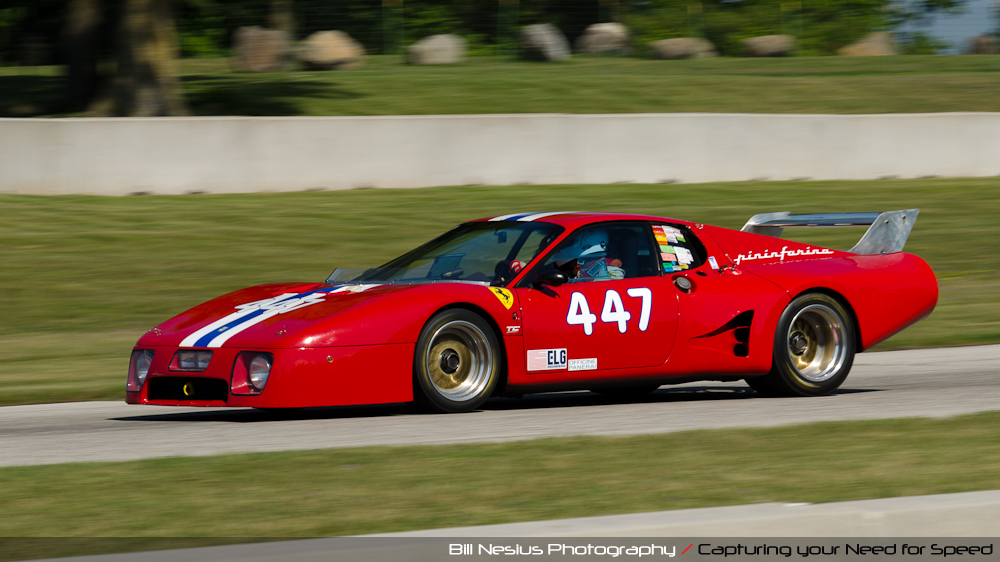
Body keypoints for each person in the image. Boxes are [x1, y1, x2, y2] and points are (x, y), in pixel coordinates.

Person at [552, 228, 624, 281]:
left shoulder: (608, 270)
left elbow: (613, 284)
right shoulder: (575, 268)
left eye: (569, 242)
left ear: (586, 244)